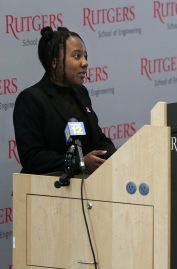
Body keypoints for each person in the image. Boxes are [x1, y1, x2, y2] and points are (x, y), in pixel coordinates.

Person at [13, 26, 116, 174]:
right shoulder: (31, 99)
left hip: (88, 185)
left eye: (84, 56)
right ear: (55, 61)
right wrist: (79, 163)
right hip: (48, 189)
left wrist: (111, 155)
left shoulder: (80, 92)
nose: (85, 62)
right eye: (76, 56)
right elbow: (32, 157)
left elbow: (98, 137)